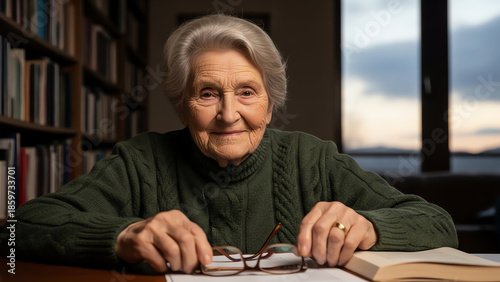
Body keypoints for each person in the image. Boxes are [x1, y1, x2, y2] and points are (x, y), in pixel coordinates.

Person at [1, 14, 458, 274]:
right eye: (206, 94)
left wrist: (371, 227)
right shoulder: (139, 160)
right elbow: (18, 230)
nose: (228, 114)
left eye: (246, 92)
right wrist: (121, 237)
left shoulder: (312, 157)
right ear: (181, 106)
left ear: (270, 102)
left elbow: (436, 223)